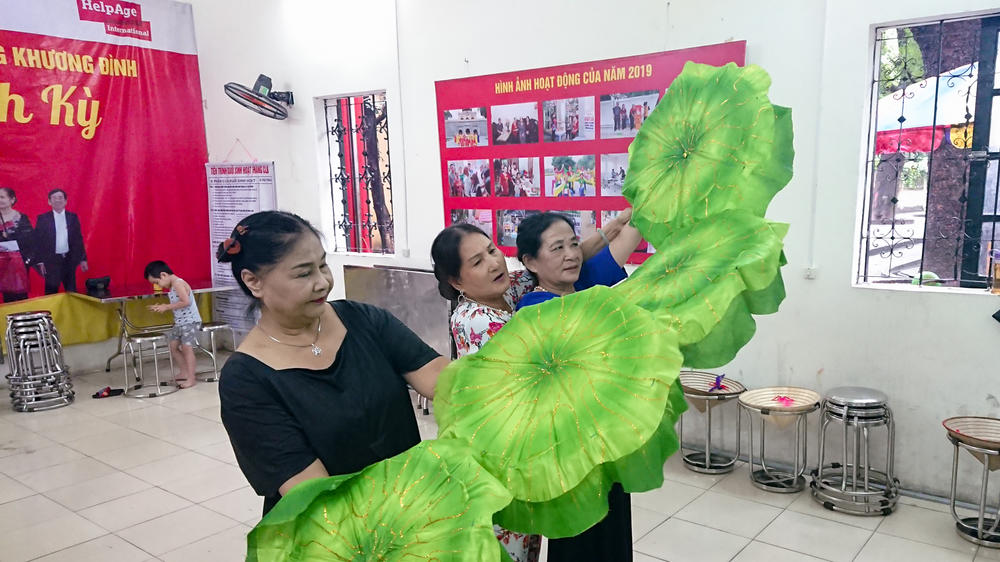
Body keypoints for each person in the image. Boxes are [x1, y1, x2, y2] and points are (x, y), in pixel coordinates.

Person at [430, 212, 632, 562]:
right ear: (457, 281)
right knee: (504, 545)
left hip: (530, 451)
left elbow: (561, 261)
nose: (494, 263)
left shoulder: (509, 290)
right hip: (499, 460)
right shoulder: (476, 321)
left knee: (528, 541)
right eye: (477, 261)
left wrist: (609, 229)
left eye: (492, 251)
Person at [218, 211, 447, 517]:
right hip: (339, 533)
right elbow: (311, 491)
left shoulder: (362, 319)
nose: (322, 282)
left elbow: (439, 378)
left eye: (323, 265)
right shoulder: (246, 379)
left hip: (411, 507)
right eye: (303, 274)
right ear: (253, 281)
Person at [514, 211, 643, 561]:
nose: (570, 254)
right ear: (531, 261)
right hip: (572, 453)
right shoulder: (536, 309)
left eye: (573, 244)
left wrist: (650, 194)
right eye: (556, 248)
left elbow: (633, 233)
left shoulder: (580, 286)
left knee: (613, 534)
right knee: (580, 543)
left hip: (607, 444)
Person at [145, 260, 202, 389]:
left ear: (163, 275)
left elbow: (185, 302)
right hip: (180, 322)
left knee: (187, 348)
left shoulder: (178, 283)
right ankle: (184, 372)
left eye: (157, 282)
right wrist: (162, 306)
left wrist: (166, 307)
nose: (158, 285)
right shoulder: (172, 287)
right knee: (173, 346)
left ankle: (191, 378)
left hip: (190, 321)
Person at [35, 189, 88, 294]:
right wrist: (40, 261)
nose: (57, 200)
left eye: (60, 198)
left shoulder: (72, 217)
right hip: (51, 261)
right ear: (49, 201)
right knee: (51, 292)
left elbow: (78, 239)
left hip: (69, 260)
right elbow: (38, 241)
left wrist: (83, 259)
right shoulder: (43, 219)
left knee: (72, 291)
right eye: (54, 198)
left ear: (65, 201)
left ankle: (72, 310)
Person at [0, 187, 37, 302]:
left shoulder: (21, 218)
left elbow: (30, 241)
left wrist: (9, 237)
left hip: (16, 263)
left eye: (2, 197)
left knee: (17, 296)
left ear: (12, 199)